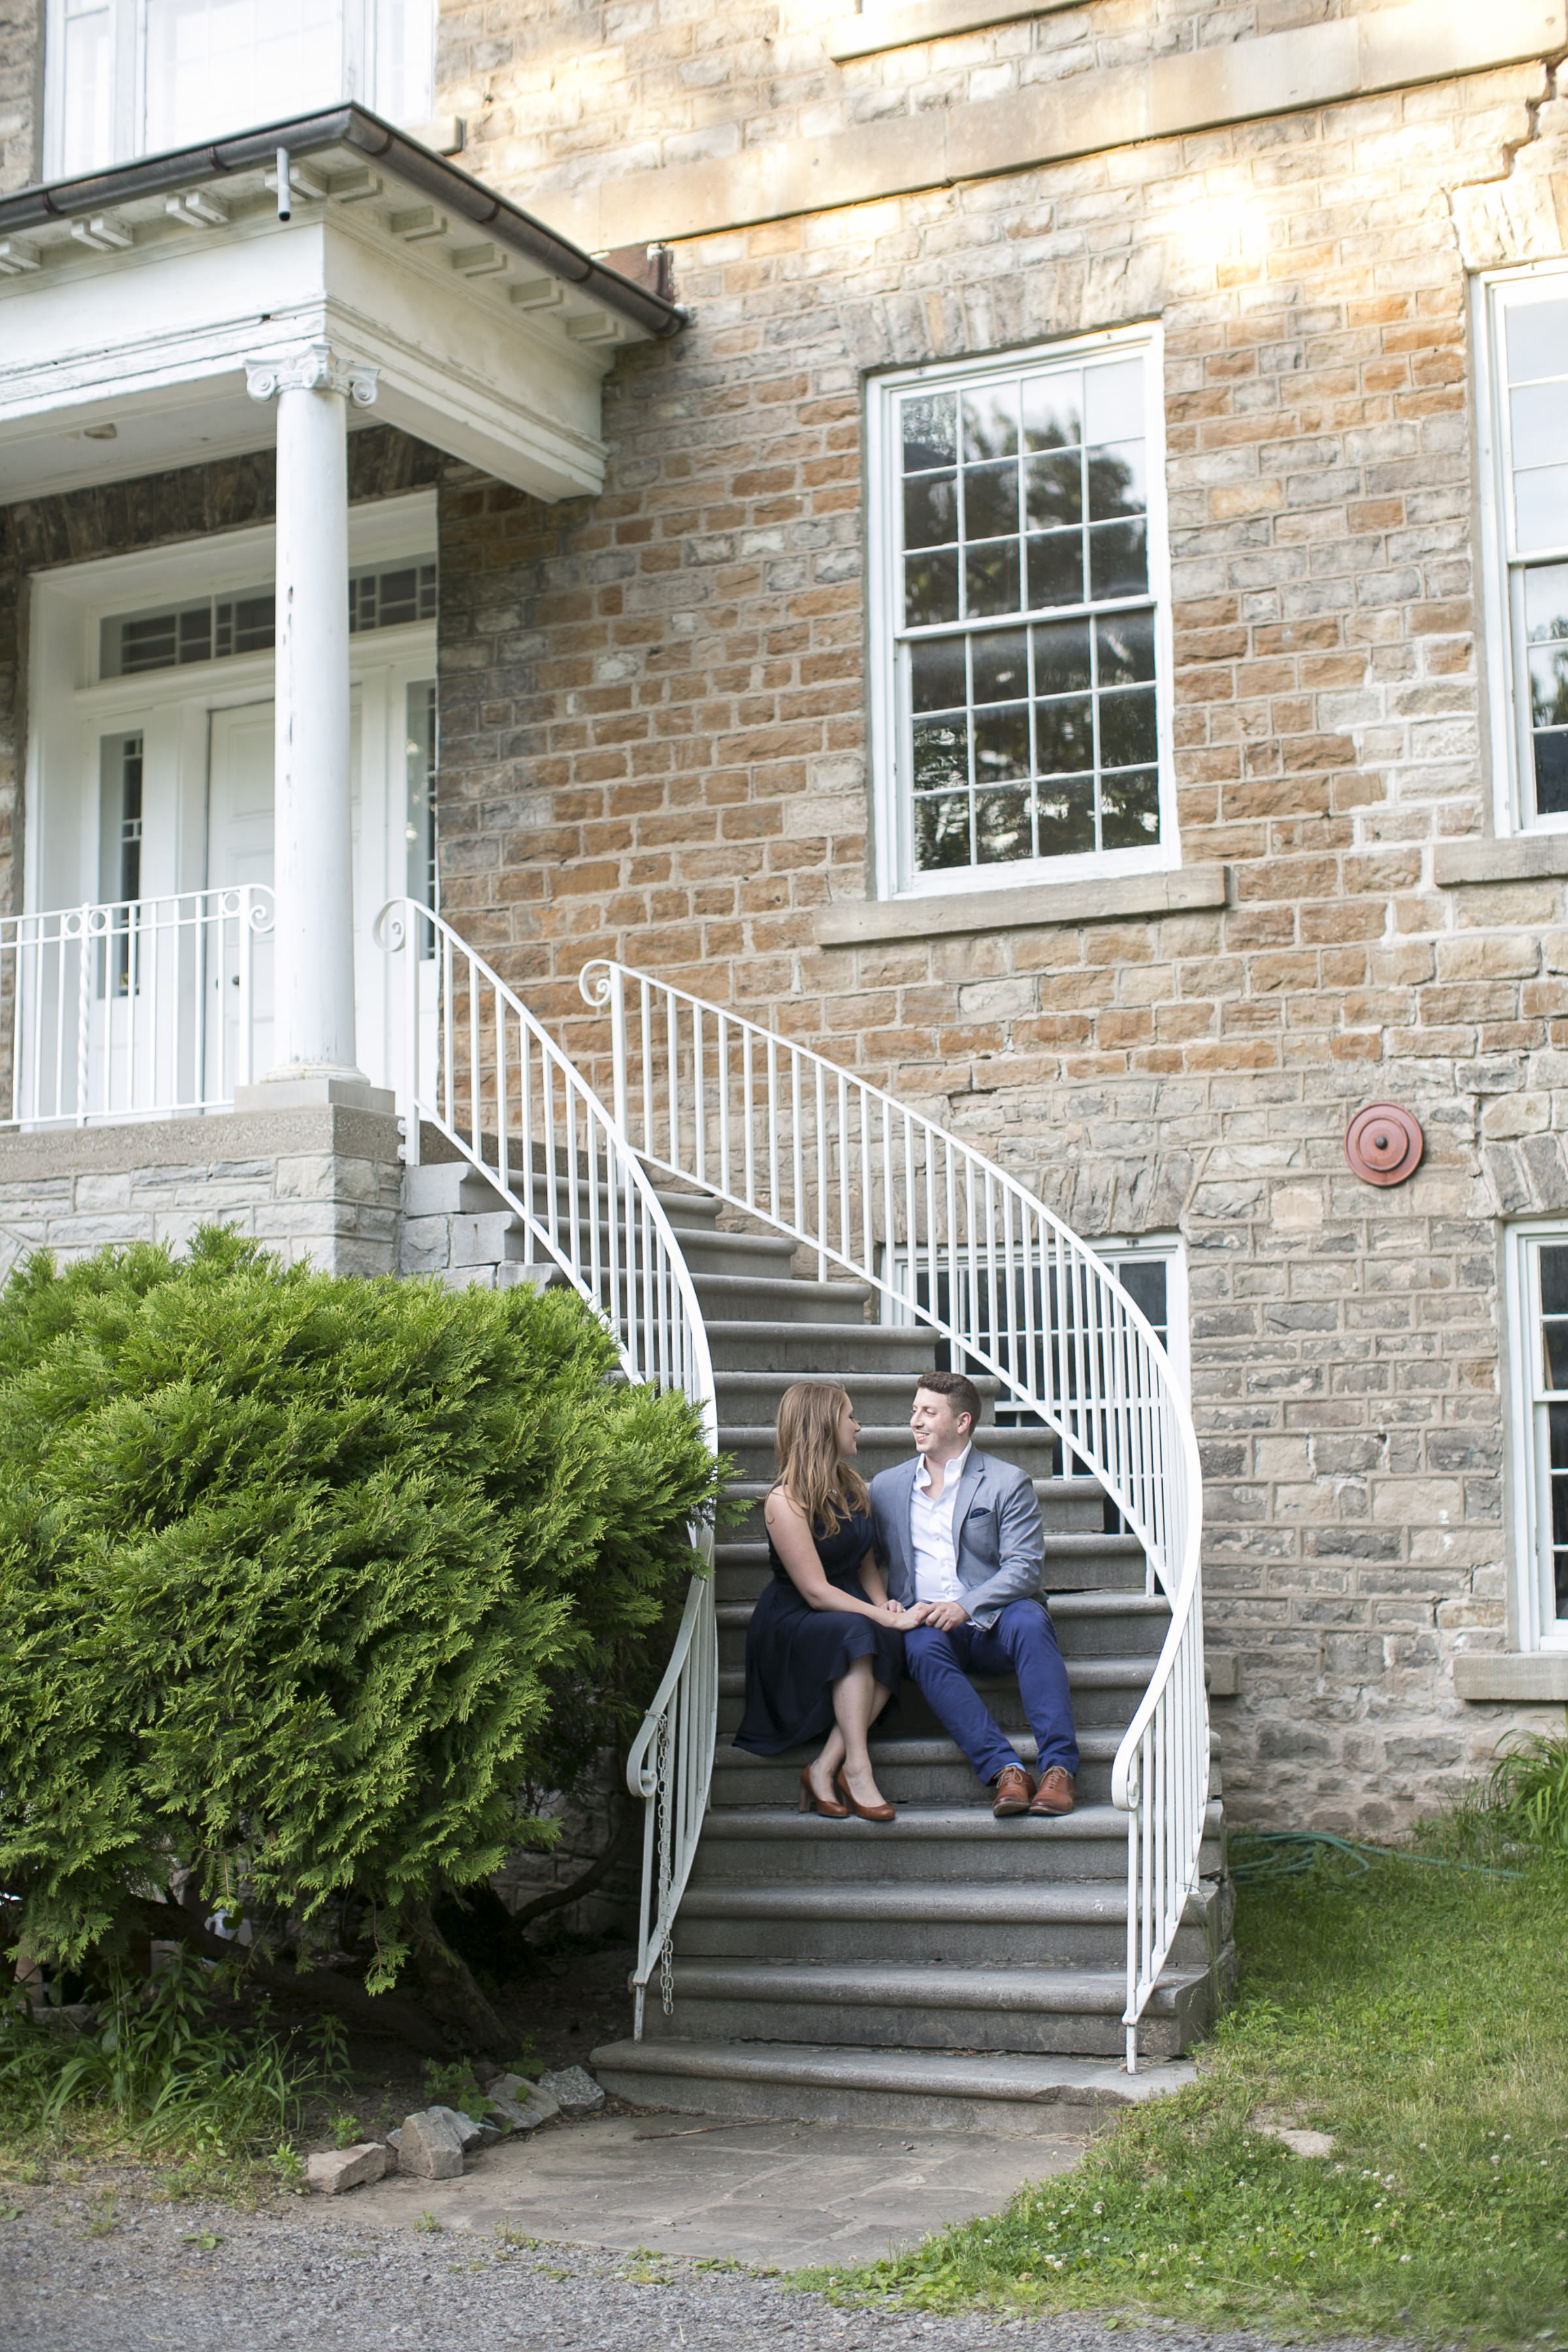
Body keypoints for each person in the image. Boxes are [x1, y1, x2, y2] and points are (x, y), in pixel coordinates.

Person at [868, 1369, 1080, 1818]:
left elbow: (1024, 1568)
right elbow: (867, 1559)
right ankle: (1006, 1769)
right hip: (928, 1624)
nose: (916, 1421)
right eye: (914, 1411)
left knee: (1030, 1620)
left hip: (996, 1621)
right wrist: (881, 1601)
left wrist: (965, 1605)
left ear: (962, 1422)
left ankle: (1059, 1768)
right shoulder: (887, 1487)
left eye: (929, 1412)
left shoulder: (1006, 1481)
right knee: (918, 1646)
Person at [733, 1381, 929, 1821]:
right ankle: (858, 1768)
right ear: (823, 1427)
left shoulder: (852, 1486)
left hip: (849, 1603)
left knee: (890, 1636)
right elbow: (816, 1592)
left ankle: (823, 1766)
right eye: (850, 1418)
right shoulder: (784, 1501)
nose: (858, 1427)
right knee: (861, 1630)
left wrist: (887, 1604)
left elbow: (865, 1564)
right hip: (795, 1619)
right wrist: (876, 1614)